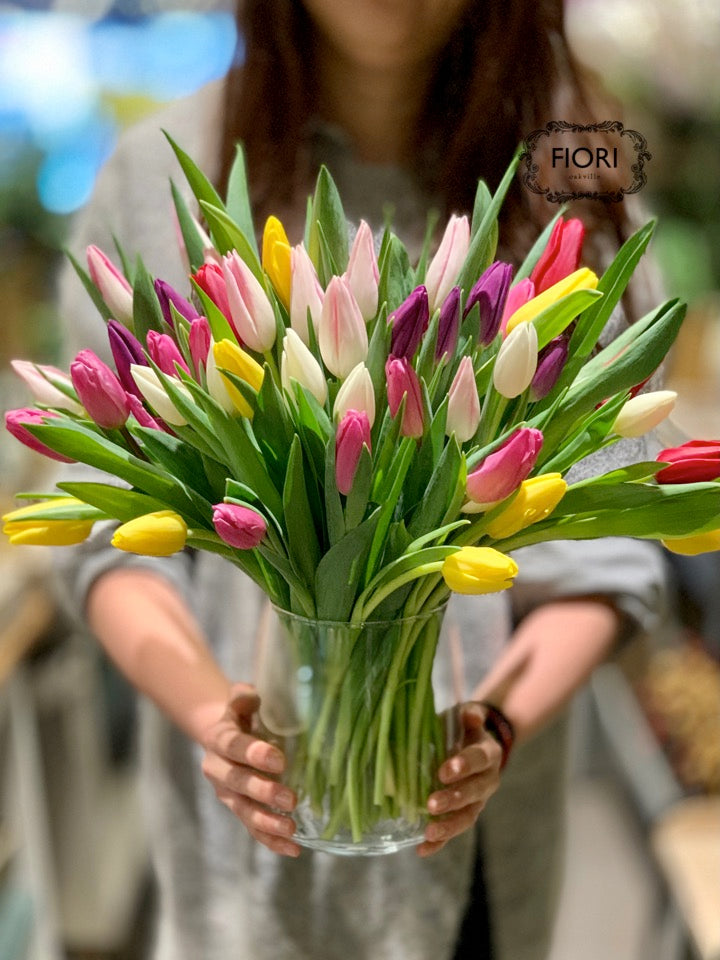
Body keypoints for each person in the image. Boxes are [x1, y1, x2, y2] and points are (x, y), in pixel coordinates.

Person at [54, 2, 667, 958]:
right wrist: (218, 723)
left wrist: (494, 727)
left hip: (475, 843)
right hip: (247, 844)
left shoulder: (571, 169)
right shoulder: (159, 167)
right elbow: (114, 530)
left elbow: (609, 552)